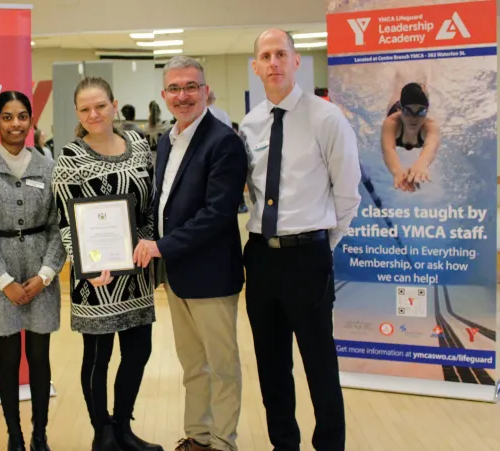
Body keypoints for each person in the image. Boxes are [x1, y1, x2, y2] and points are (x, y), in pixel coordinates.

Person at [239, 29, 361, 451]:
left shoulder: (327, 118)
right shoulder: (249, 124)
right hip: (260, 257)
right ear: (255, 67)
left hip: (308, 254)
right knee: (271, 365)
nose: (273, 63)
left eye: (281, 54)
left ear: (296, 62)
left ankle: (329, 444)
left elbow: (347, 193)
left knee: (319, 362)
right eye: (265, 56)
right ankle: (283, 444)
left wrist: (323, 243)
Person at [134, 55, 248, 451]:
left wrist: (161, 246)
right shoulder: (168, 140)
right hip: (178, 275)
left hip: (212, 275)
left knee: (222, 367)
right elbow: (163, 203)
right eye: (175, 88)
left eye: (190, 87)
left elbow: (217, 214)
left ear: (205, 90)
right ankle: (198, 436)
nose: (183, 95)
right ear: (164, 95)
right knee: (193, 366)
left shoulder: (224, 142)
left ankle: (222, 441)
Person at [52, 76, 161, 451]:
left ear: (114, 105)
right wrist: (85, 265)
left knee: (138, 351)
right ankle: (103, 432)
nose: (93, 114)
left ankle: (123, 427)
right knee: (98, 357)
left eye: (100, 106)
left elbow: (148, 208)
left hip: (136, 273)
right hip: (95, 278)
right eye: (85, 109)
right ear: (78, 113)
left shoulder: (138, 145)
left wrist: (148, 242)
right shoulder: (70, 158)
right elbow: (66, 221)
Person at [0, 91, 65, 451]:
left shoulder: (50, 168)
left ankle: (40, 435)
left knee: (39, 356)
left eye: (22, 116)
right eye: (7, 117)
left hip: (41, 274)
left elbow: (59, 226)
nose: (16, 124)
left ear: (31, 120)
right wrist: (4, 282)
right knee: (8, 359)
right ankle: (14, 436)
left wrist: (46, 274)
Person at [381, 82, 440, 192]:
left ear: (427, 111)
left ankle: (422, 83)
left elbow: (431, 147)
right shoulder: (392, 122)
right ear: (401, 109)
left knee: (422, 85)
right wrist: (397, 172)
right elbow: (388, 150)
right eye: (408, 111)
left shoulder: (430, 126)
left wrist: (422, 164)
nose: (414, 118)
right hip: (395, 108)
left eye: (421, 112)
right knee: (398, 84)